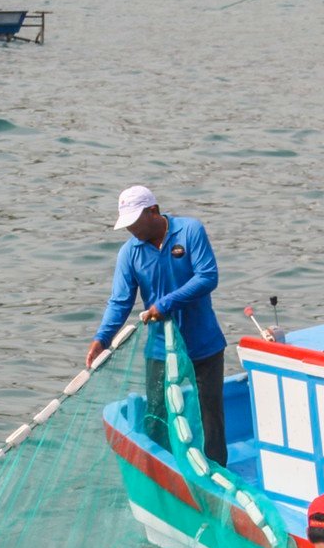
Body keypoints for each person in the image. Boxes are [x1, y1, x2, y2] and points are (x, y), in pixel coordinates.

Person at [87, 186, 230, 466]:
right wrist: (101, 339)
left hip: (203, 345)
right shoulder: (130, 253)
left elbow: (207, 277)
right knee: (156, 414)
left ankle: (216, 472)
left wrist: (165, 304)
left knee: (210, 413)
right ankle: (164, 474)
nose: (131, 230)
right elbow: (120, 302)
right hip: (160, 350)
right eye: (126, 225)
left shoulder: (190, 231)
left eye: (134, 223)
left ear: (153, 211)